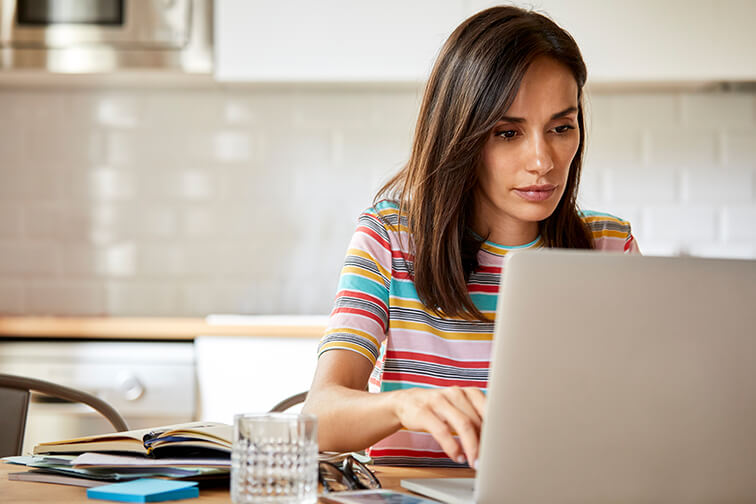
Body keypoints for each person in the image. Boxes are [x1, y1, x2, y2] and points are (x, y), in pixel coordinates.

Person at [302, 5, 640, 469]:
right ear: (461, 134)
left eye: (561, 128)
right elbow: (319, 414)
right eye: (507, 132)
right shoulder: (392, 237)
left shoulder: (608, 244)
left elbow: (645, 413)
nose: (542, 160)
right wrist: (404, 406)